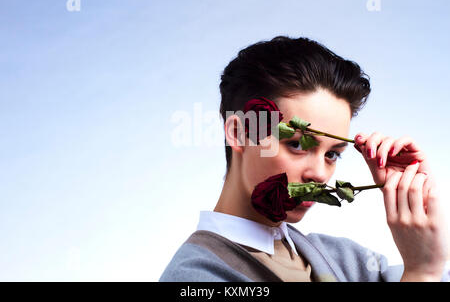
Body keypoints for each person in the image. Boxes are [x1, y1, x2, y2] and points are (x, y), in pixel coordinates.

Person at [160, 36, 449, 282]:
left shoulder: (347, 262)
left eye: (333, 154)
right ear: (239, 133)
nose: (321, 174)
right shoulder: (196, 276)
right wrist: (422, 272)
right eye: (297, 144)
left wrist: (417, 196)